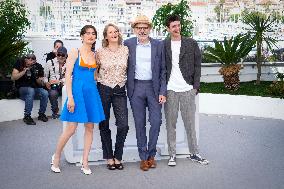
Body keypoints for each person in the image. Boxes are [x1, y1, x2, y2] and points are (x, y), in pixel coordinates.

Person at [50, 25, 105, 175]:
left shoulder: (95, 55)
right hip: (77, 92)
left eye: (93, 33)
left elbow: (94, 76)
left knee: (90, 128)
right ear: (82, 36)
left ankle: (85, 161)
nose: (90, 36)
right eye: (87, 33)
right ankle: (56, 156)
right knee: (71, 129)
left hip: (91, 92)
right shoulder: (75, 51)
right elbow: (68, 76)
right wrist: (70, 98)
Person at [163, 14, 209, 166]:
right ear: (168, 29)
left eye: (178, 25)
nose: (177, 28)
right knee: (171, 124)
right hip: (170, 89)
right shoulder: (164, 45)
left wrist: (195, 87)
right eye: (173, 26)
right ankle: (172, 155)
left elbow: (197, 65)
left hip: (188, 88)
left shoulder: (191, 43)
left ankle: (194, 153)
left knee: (190, 123)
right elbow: (161, 68)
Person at [124, 15, 166, 171]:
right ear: (134, 30)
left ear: (150, 29)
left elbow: (163, 70)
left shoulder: (158, 45)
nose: (142, 30)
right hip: (136, 88)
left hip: (154, 88)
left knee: (156, 122)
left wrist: (163, 91)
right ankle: (143, 157)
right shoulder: (128, 44)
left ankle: (151, 155)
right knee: (139, 124)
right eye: (139, 28)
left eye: (145, 27)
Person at [96, 23, 129, 170]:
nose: (114, 34)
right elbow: (94, 72)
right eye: (111, 32)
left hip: (120, 89)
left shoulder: (126, 50)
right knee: (104, 124)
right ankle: (109, 157)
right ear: (106, 36)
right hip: (103, 89)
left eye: (116, 31)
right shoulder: (100, 52)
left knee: (123, 125)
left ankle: (118, 156)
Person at [11, 54, 49, 125]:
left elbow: (40, 82)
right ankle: (27, 116)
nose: (31, 61)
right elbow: (13, 77)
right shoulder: (20, 63)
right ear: (25, 59)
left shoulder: (37, 66)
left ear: (35, 60)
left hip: (34, 89)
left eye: (33, 60)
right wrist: (24, 71)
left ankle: (41, 114)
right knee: (30, 90)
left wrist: (40, 79)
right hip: (22, 89)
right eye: (29, 59)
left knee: (45, 92)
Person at [44, 46, 67, 119]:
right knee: (53, 93)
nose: (60, 57)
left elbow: (71, 77)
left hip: (64, 84)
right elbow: (45, 76)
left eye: (63, 55)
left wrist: (60, 81)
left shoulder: (69, 63)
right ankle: (55, 112)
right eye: (59, 54)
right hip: (53, 85)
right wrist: (46, 83)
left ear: (66, 55)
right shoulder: (49, 62)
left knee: (70, 91)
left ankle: (68, 112)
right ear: (56, 54)